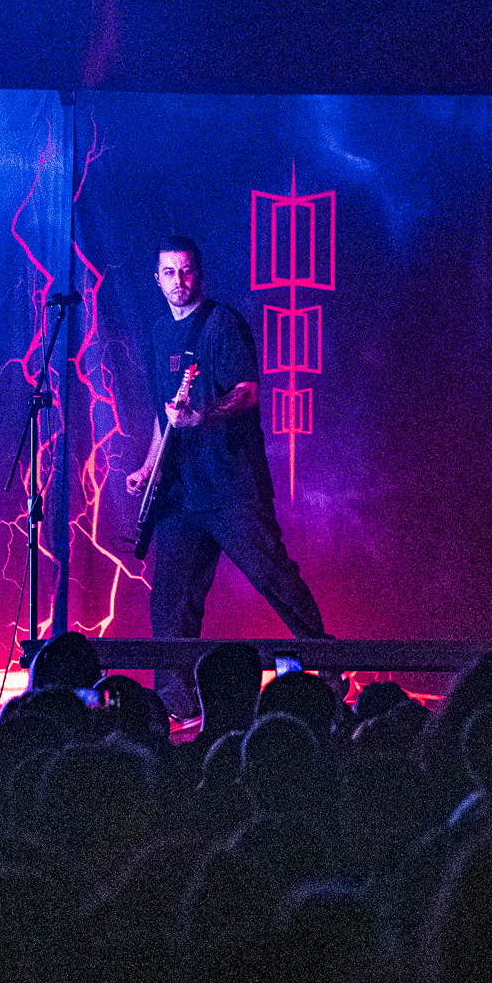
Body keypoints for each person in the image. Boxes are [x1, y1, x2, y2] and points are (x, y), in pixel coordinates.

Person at [126, 236, 324, 717]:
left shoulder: (222, 324)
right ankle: (177, 704)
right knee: (171, 601)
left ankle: (333, 668)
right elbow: (163, 415)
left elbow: (247, 392)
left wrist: (203, 414)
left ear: (199, 273)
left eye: (186, 271)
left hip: (230, 485)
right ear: (157, 279)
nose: (178, 281)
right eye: (169, 272)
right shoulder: (157, 334)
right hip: (180, 493)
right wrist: (150, 465)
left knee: (273, 576)